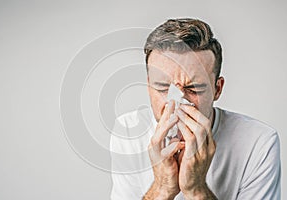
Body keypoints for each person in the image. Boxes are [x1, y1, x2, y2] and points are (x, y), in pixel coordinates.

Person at [110, 18, 281, 200]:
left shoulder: (258, 142)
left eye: (193, 89)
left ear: (217, 89)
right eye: (162, 87)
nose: (176, 103)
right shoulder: (128, 130)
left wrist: (196, 189)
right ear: (148, 86)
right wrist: (162, 189)